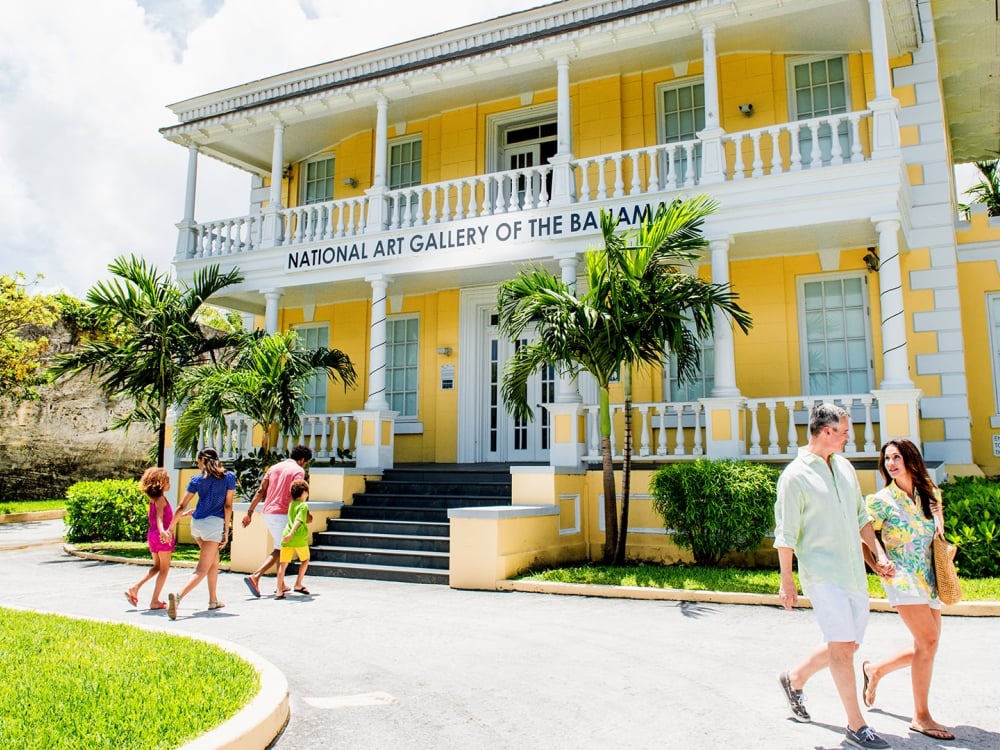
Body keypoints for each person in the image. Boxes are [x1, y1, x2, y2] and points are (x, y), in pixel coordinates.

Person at [773, 402, 895, 750]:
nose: (848, 438)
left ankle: (794, 678)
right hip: (822, 574)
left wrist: (879, 555)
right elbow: (786, 534)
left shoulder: (844, 467)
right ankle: (856, 727)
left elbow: (861, 517)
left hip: (854, 573)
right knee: (842, 647)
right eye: (844, 432)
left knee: (847, 643)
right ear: (826, 431)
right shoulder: (795, 476)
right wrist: (787, 580)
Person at [860, 439, 954, 741]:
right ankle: (921, 716)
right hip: (901, 576)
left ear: (911, 459)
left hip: (928, 577)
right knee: (927, 640)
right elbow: (861, 536)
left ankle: (875, 670)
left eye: (896, 456)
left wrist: (938, 517)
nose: (891, 463)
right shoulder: (880, 500)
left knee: (928, 645)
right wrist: (878, 562)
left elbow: (935, 537)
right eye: (887, 458)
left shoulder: (931, 494)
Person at [166, 448, 235, 620]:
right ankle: (178, 596)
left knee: (214, 560)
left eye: (197, 462)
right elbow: (227, 506)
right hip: (213, 526)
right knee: (202, 569)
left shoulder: (197, 479)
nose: (197, 466)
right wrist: (226, 530)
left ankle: (213, 600)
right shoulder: (228, 477)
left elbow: (182, 505)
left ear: (202, 460)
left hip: (197, 525)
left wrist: (171, 527)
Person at [241, 444, 312, 598]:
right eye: (305, 462)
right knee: (281, 549)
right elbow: (298, 493)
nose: (304, 465)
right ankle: (256, 576)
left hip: (268, 512)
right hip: (283, 513)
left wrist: (250, 513)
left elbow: (261, 490)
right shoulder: (298, 471)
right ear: (301, 460)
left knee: (281, 548)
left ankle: (281, 584)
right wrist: (305, 513)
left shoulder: (274, 468)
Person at [125, 467, 174, 611]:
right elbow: (160, 519)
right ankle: (155, 600)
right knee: (164, 569)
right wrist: (163, 532)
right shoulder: (160, 499)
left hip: (152, 535)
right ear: (160, 482)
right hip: (160, 536)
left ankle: (135, 588)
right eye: (167, 479)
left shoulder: (153, 500)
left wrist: (183, 515)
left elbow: (165, 517)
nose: (169, 482)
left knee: (157, 567)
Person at [275, 479, 312, 599]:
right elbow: (298, 520)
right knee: (305, 560)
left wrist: (289, 534)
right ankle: (298, 584)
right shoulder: (303, 505)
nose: (307, 495)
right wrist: (292, 533)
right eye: (307, 492)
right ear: (303, 493)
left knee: (283, 564)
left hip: (286, 537)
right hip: (299, 537)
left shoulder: (291, 504)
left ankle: (279, 590)